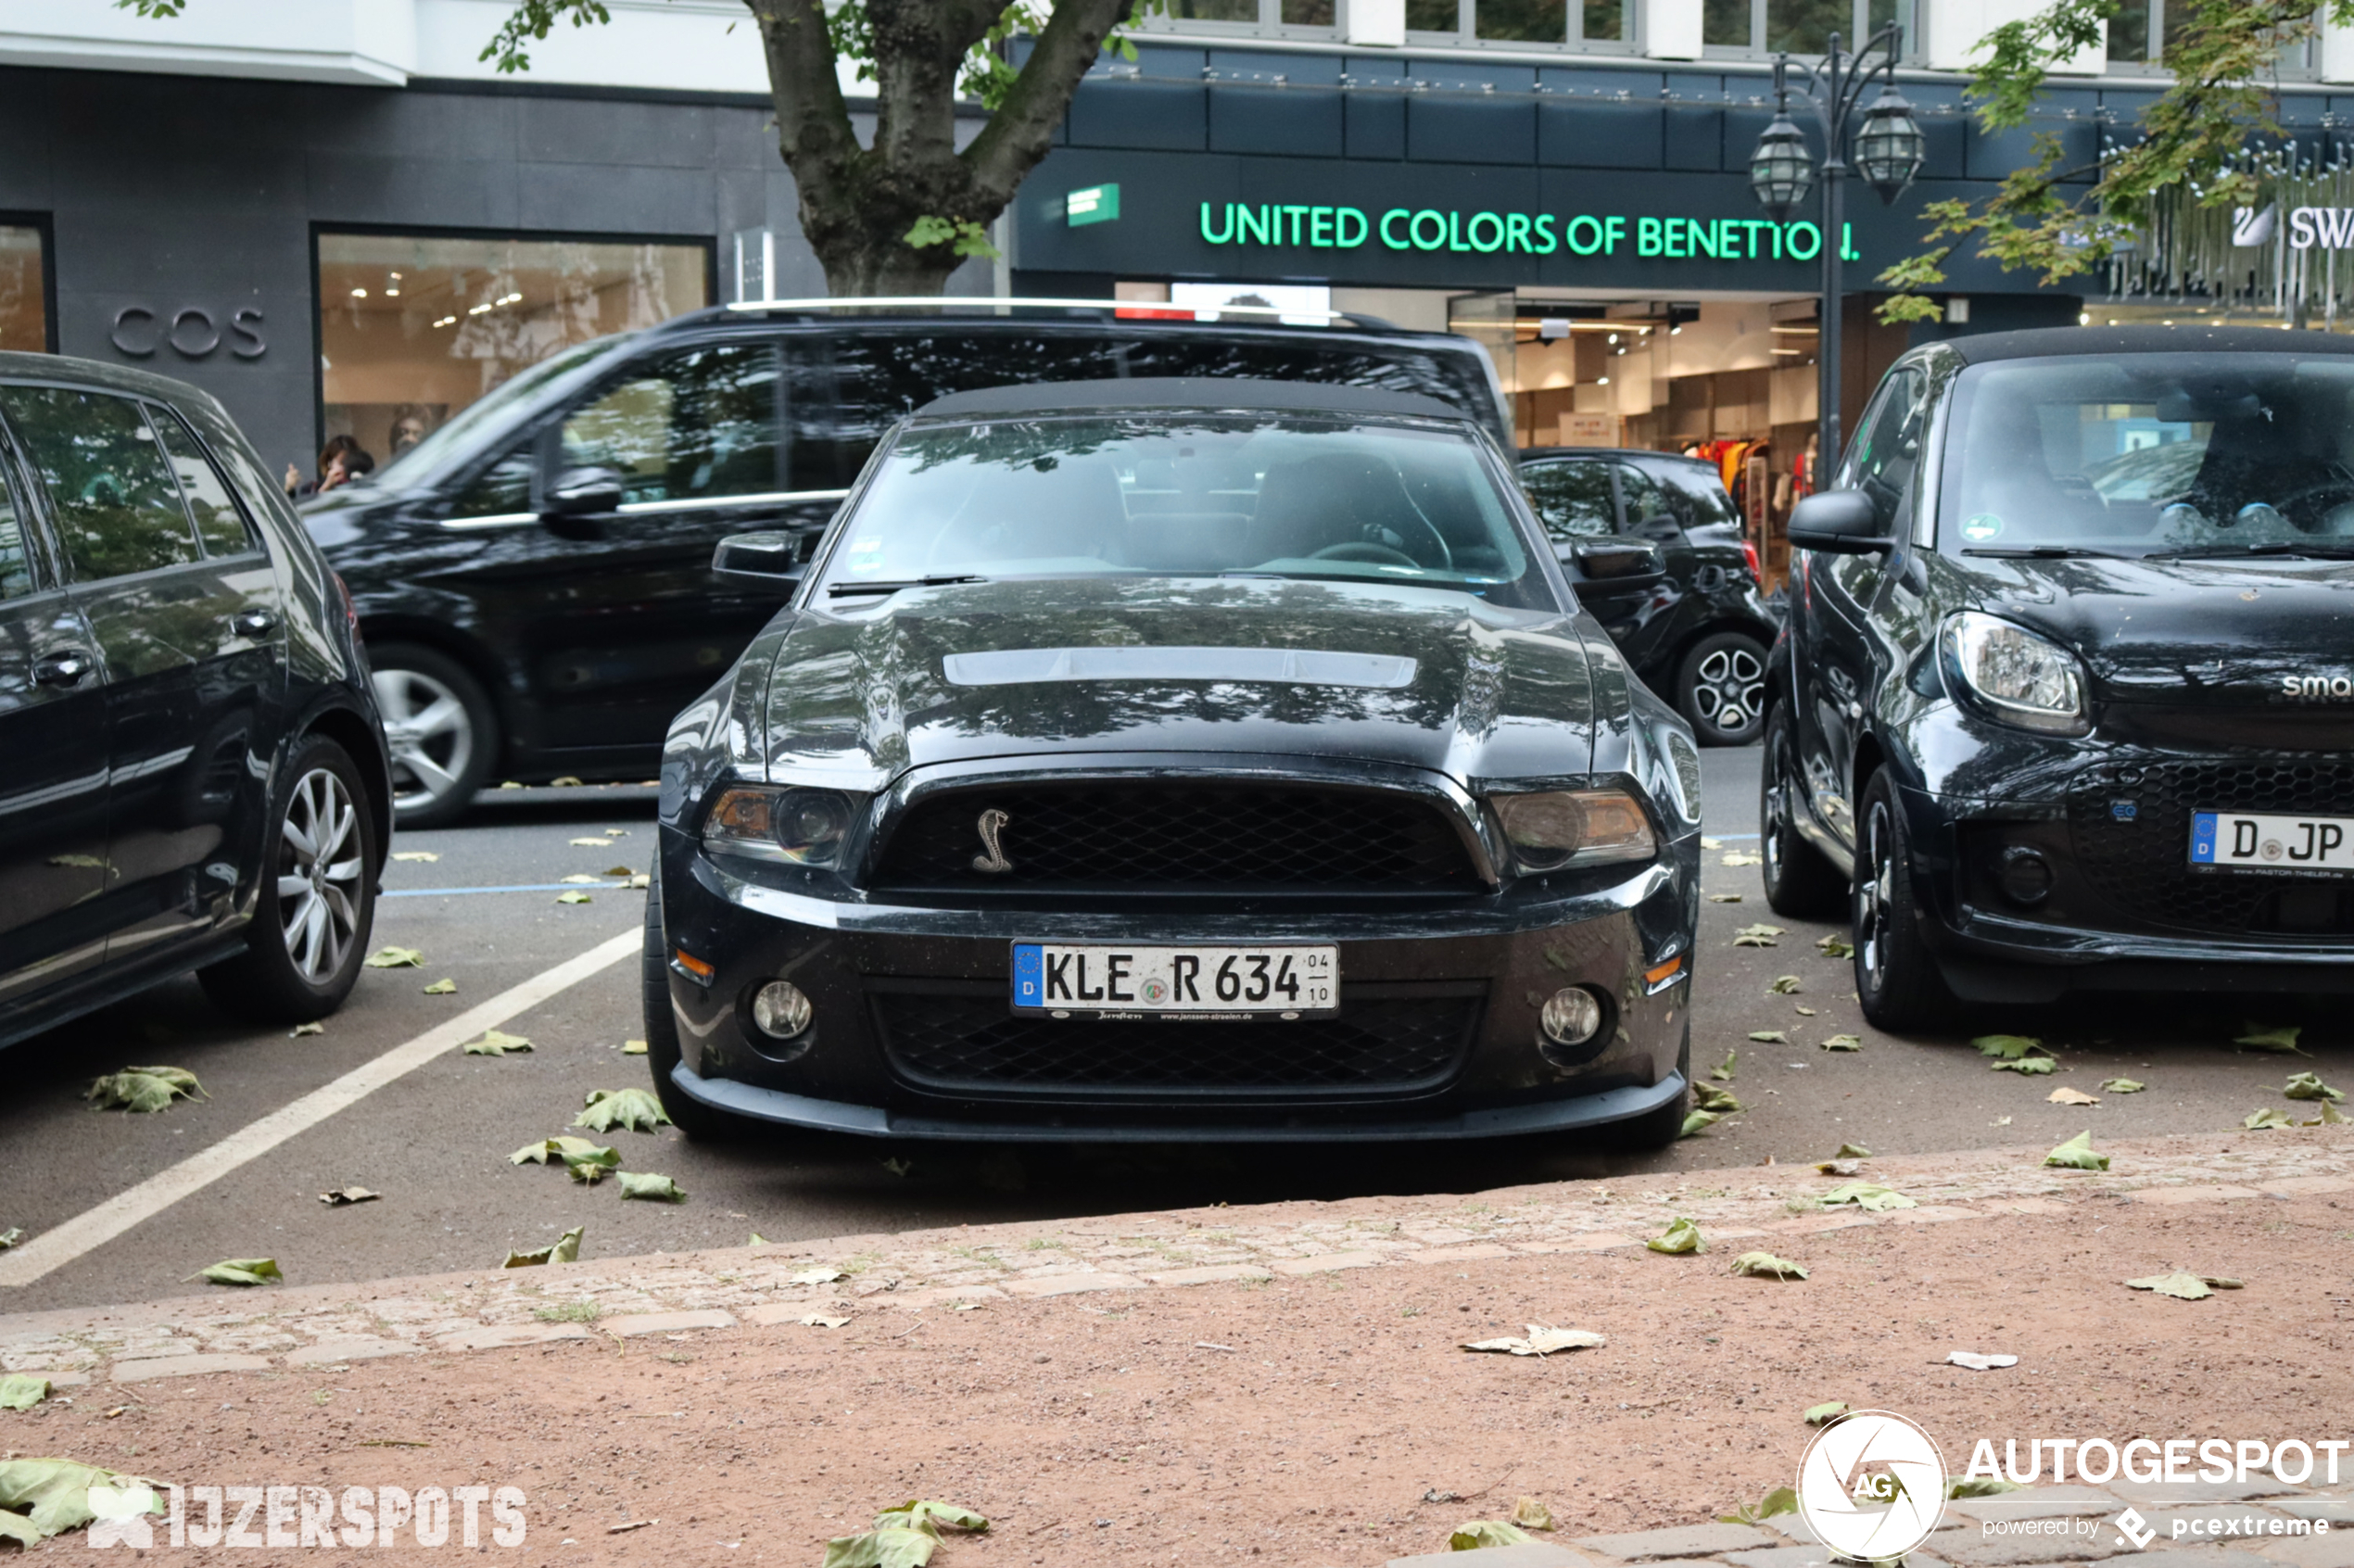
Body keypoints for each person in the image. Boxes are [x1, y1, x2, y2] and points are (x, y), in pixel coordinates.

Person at [285, 436, 364, 499]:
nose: (345, 468)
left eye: (350, 462)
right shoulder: (311, 489)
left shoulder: (363, 485)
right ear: (329, 463)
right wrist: (289, 488)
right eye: (341, 463)